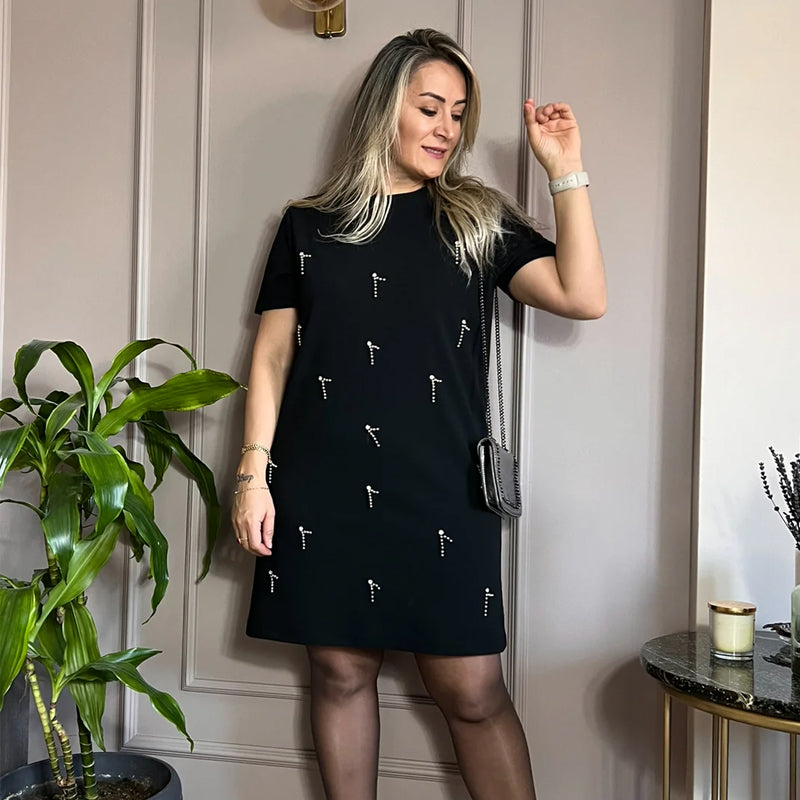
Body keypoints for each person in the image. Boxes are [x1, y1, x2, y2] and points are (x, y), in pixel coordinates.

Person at [232, 28, 605, 800]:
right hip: (325, 485)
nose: (446, 129)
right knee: (339, 673)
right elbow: (270, 359)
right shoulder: (307, 226)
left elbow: (583, 295)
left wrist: (565, 169)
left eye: (458, 115)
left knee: (473, 691)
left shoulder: (476, 219)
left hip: (443, 490)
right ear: (385, 109)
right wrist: (252, 476)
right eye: (430, 108)